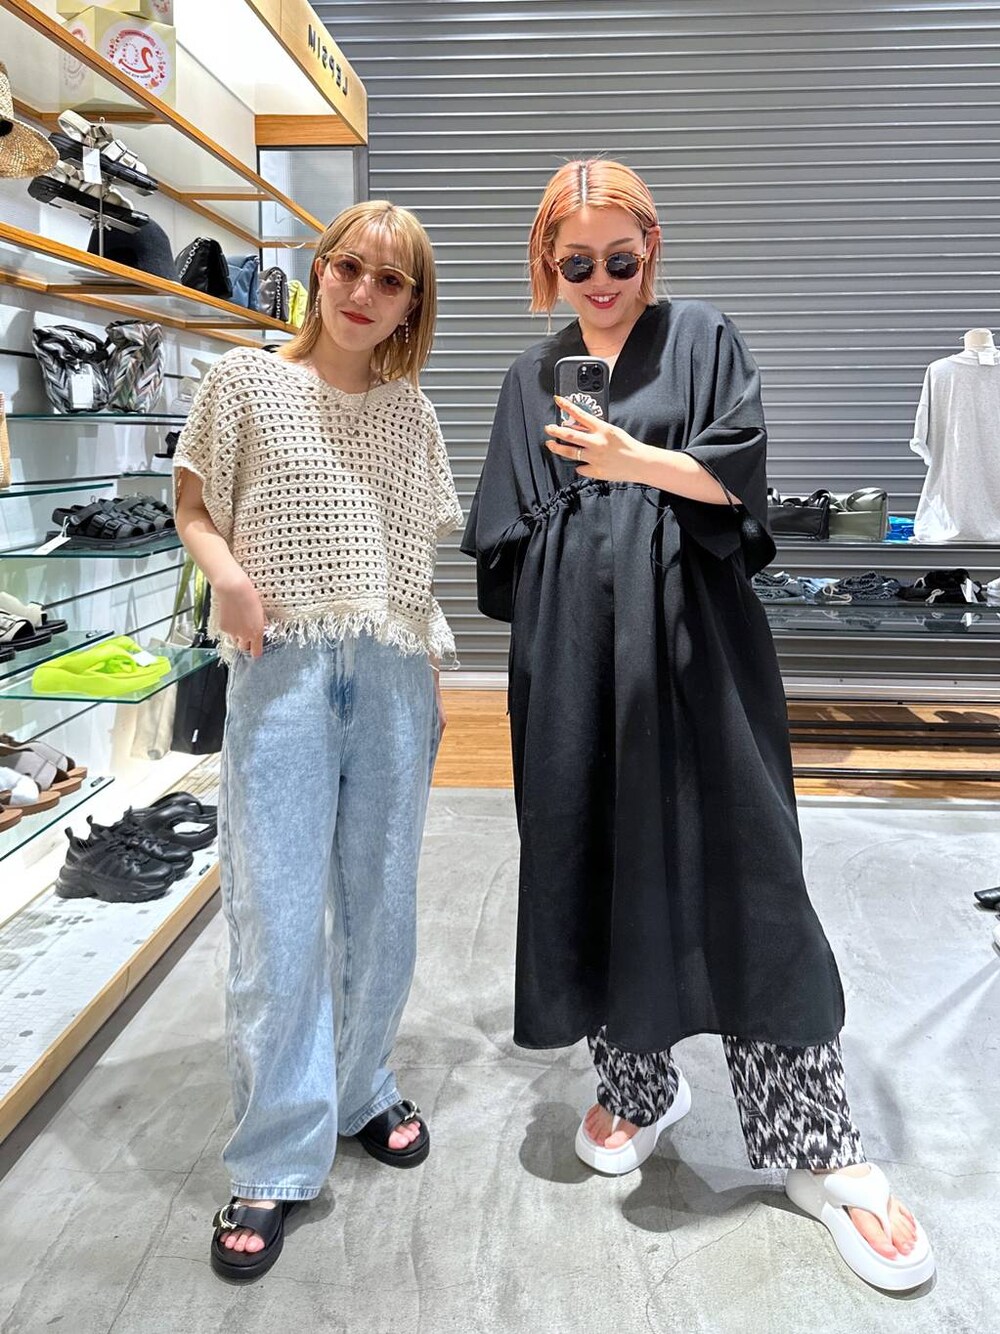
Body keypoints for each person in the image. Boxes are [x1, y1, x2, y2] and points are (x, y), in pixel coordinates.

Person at [461, 159, 934, 1293]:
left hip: (698, 648)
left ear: (652, 250)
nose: (601, 281)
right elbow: (500, 542)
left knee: (747, 865)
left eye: (620, 259)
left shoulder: (702, 337)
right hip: (573, 660)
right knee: (595, 853)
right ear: (548, 264)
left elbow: (740, 486)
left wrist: (629, 465)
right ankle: (638, 1080)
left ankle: (816, 1144)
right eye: (577, 262)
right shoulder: (528, 379)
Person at [174, 200, 463, 1282]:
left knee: (383, 902)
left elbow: (411, 564)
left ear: (411, 305)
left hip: (390, 671)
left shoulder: (408, 411)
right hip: (284, 668)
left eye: (391, 282)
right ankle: (274, 1151)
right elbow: (193, 507)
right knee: (278, 911)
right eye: (349, 268)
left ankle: (358, 1085)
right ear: (319, 268)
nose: (362, 294)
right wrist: (230, 579)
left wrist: (429, 676)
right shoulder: (243, 381)